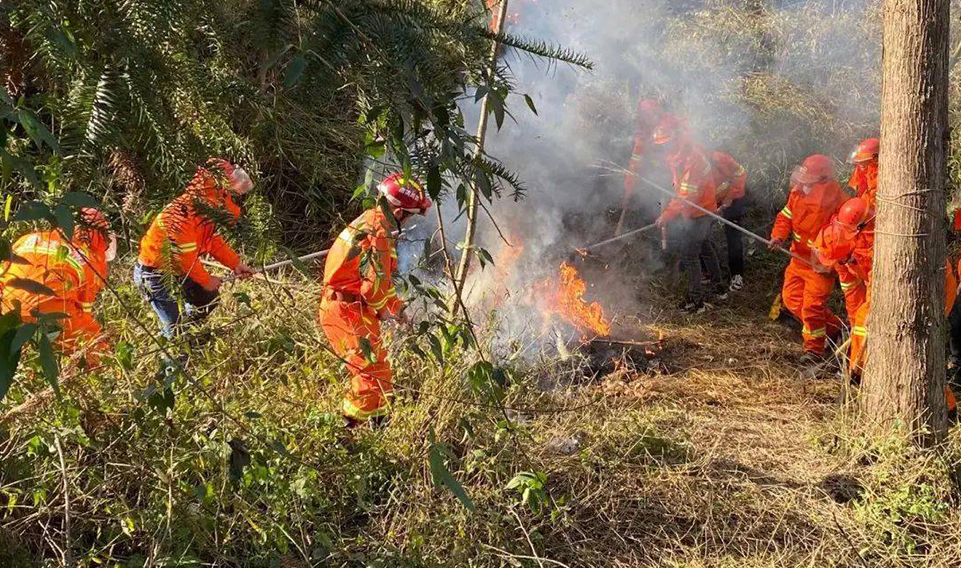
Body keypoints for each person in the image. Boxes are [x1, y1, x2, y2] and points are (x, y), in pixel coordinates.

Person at [318, 172, 432, 426]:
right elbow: (373, 288)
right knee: (369, 375)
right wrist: (388, 312)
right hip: (346, 310)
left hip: (351, 307)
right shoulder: (380, 233)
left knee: (377, 371)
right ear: (399, 211)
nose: (410, 219)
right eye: (410, 214)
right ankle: (343, 432)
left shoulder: (372, 221)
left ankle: (375, 427)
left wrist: (397, 308)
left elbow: (382, 284)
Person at [134, 159, 256, 339]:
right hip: (155, 274)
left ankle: (189, 334)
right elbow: (183, 256)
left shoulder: (204, 211)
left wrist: (235, 263)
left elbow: (212, 241)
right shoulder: (181, 214)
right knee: (173, 327)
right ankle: (174, 353)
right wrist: (206, 280)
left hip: (180, 269)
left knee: (208, 299)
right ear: (217, 187)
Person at [1, 208, 116, 365]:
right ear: (100, 238)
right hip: (51, 316)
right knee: (101, 355)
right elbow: (84, 310)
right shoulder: (88, 259)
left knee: (24, 359)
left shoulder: (28, 238)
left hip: (9, 311)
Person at [770, 154, 847, 363]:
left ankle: (814, 351)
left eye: (809, 181)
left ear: (823, 180)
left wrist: (832, 260)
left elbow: (846, 234)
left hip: (819, 265)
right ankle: (838, 329)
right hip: (797, 258)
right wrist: (778, 236)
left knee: (812, 306)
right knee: (792, 300)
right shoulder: (797, 192)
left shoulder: (839, 201)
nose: (804, 184)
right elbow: (785, 216)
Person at [651, 115, 723, 313]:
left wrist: (666, 215)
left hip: (702, 210)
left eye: (665, 144)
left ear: (674, 139)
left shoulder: (693, 160)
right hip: (695, 208)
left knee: (690, 254)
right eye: (660, 146)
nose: (663, 150)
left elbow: (685, 197)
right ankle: (719, 287)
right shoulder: (677, 153)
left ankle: (696, 302)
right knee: (706, 247)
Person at [616, 98, 667, 236]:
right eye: (645, 115)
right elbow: (635, 165)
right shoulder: (642, 136)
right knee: (647, 203)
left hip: (671, 178)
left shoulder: (666, 130)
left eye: (650, 114)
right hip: (652, 177)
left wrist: (662, 171)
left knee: (667, 211)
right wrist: (628, 189)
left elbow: (672, 157)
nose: (648, 118)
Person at [711, 151, 748, 291]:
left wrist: (729, 198)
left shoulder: (719, 158)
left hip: (734, 197)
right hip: (713, 199)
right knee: (702, 233)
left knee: (733, 236)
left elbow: (741, 173)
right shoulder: (690, 162)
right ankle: (709, 271)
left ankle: (737, 274)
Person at [847, 137, 879, 210]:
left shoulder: (882, 172)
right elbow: (854, 187)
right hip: (864, 206)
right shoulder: (861, 169)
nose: (861, 164)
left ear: (876, 158)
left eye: (864, 161)